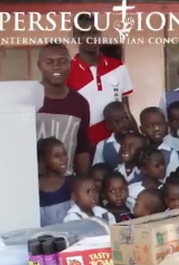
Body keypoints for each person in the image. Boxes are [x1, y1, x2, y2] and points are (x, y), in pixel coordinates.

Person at [68, 14, 133, 147]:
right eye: (84, 33)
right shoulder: (68, 71)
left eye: (94, 32)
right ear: (75, 37)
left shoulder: (118, 67)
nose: (90, 37)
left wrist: (134, 135)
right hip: (84, 145)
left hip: (118, 143)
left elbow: (126, 108)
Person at [37, 43, 92, 175]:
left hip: (66, 182)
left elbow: (82, 147)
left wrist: (82, 179)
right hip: (31, 181)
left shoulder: (79, 102)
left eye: (62, 61)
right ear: (39, 65)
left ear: (70, 65)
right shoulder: (28, 99)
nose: (56, 66)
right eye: (49, 62)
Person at [38, 137, 72, 226]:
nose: (63, 158)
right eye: (56, 156)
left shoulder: (72, 183)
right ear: (42, 160)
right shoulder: (35, 186)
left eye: (64, 154)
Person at [139, 107, 179, 177]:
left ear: (167, 125)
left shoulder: (170, 153)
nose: (156, 129)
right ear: (142, 129)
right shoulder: (140, 150)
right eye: (150, 126)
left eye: (160, 124)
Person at [92, 102, 133, 169]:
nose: (122, 124)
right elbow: (98, 168)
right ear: (108, 125)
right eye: (116, 122)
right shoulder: (102, 146)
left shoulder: (140, 140)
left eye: (125, 118)